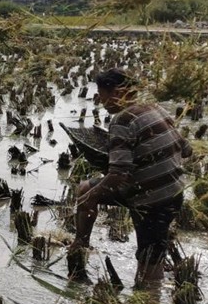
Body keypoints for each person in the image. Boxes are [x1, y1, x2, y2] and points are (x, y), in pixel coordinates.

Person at [70, 68, 193, 283]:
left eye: (103, 96)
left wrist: (94, 197)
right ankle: (81, 245)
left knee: (148, 265)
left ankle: (150, 302)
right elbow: (187, 150)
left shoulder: (122, 120)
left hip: (154, 201)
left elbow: (118, 173)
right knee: (85, 188)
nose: (102, 102)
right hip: (167, 190)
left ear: (117, 93)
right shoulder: (155, 108)